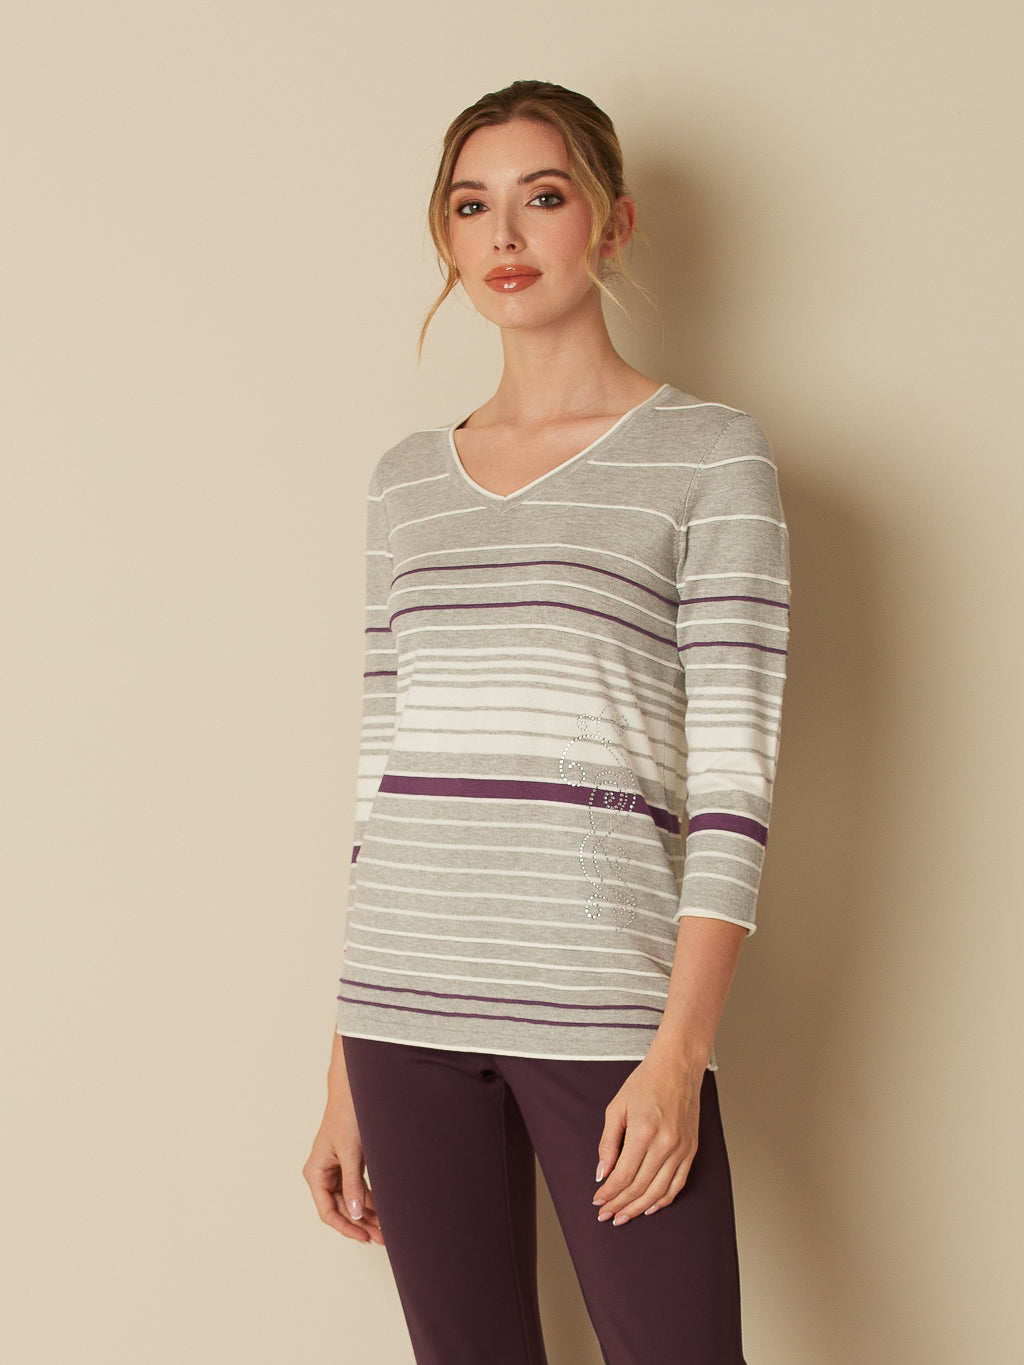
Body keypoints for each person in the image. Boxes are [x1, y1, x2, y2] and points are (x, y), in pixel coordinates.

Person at [304, 79, 789, 1365]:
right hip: (404, 1008)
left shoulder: (708, 456)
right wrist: (344, 1070)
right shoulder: (407, 481)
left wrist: (678, 1055)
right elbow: (383, 776)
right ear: (447, 236)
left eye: (544, 196)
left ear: (612, 223)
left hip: (604, 1007)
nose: (505, 235)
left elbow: (734, 785)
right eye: (472, 206)